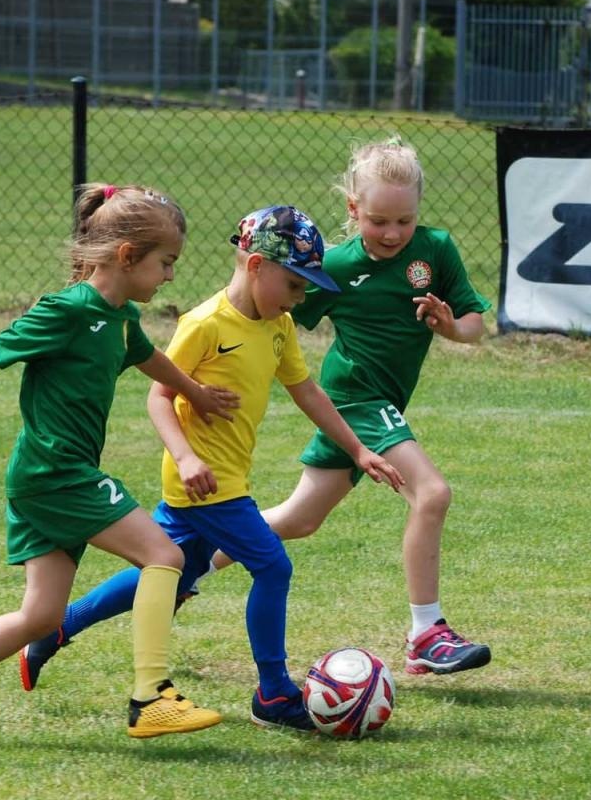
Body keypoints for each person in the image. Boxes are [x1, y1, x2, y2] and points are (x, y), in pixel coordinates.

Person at [17, 205, 404, 732]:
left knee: (175, 575)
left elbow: (307, 390)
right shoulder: (204, 324)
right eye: (293, 285)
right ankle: (273, 695)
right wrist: (186, 455)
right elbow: (159, 397)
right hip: (203, 481)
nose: (298, 300)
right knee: (273, 566)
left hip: (225, 479)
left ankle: (58, 628)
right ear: (255, 266)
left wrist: (358, 450)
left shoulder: (279, 327)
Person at [0, 183, 239, 744]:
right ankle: (151, 696)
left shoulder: (120, 317)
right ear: (127, 257)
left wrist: (194, 392)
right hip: (56, 473)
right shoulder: (69, 310)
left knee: (42, 618)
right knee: (164, 554)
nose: (170, 276)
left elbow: (148, 359)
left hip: (47, 479)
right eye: (165, 263)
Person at [204, 138, 493, 676]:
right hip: (356, 398)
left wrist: (451, 325)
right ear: (353, 210)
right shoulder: (334, 265)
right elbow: (268, 306)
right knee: (431, 494)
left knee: (300, 518)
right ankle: (427, 632)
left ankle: (192, 566)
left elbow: (476, 326)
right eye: (378, 220)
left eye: (404, 221)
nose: (391, 234)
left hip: (367, 407)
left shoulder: (437, 250)